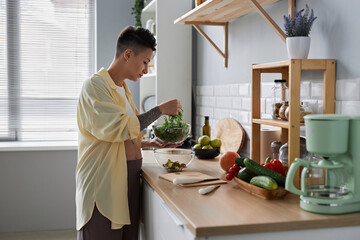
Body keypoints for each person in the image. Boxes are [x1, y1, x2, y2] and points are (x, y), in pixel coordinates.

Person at [76, 26, 182, 240]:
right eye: (145, 61)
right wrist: (160, 110)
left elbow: (122, 137)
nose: (146, 69)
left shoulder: (122, 89)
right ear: (127, 54)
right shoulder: (95, 87)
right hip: (104, 181)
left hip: (129, 178)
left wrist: (151, 144)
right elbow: (120, 127)